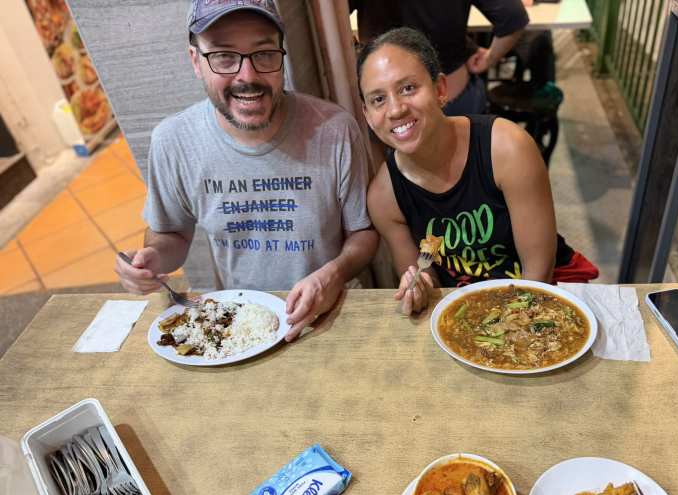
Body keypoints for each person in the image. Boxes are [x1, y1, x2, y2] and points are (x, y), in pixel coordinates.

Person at [115, 0, 378, 341]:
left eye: (264, 54)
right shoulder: (174, 141)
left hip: (329, 315)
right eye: (224, 56)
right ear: (196, 61)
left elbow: (364, 232)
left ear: (281, 54)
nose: (248, 76)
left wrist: (334, 274)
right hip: (237, 322)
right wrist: (151, 259)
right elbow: (172, 235)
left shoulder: (335, 130)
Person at [357, 28, 598, 315]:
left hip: (544, 290)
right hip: (466, 308)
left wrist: (506, 327)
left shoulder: (507, 148)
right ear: (367, 116)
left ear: (440, 89)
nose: (395, 110)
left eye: (408, 88)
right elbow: (427, 284)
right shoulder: (384, 198)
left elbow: (539, 271)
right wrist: (418, 289)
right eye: (378, 99)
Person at [349, 0, 530, 115]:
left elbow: (332, 25)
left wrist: (356, 52)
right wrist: (488, 59)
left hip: (386, 104)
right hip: (452, 95)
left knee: (392, 166)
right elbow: (513, 17)